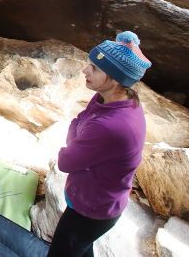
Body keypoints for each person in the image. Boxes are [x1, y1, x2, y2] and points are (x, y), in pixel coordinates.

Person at [48, 31, 152, 257]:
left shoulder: (111, 126)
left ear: (115, 79)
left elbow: (66, 160)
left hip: (91, 211)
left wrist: (76, 132)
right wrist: (79, 130)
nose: (85, 70)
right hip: (97, 201)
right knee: (82, 249)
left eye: (94, 68)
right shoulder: (113, 98)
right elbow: (80, 121)